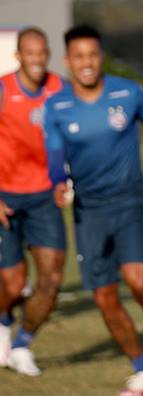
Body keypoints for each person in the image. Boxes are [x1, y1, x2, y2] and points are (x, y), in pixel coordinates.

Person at [44, 25, 143, 396]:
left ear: (101, 57)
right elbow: (55, 157)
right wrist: (58, 183)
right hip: (89, 211)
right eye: (79, 56)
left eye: (93, 54)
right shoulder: (57, 107)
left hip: (129, 202)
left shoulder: (128, 93)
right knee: (105, 297)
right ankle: (142, 370)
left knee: (138, 279)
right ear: (68, 61)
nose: (87, 63)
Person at [0, 26, 66, 376]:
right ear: (18, 56)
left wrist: (68, 179)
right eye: (30, 52)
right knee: (13, 285)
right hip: (5, 198)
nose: (37, 59)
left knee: (52, 279)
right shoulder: (2, 90)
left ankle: (22, 345)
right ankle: (2, 325)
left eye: (42, 52)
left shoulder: (60, 89)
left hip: (44, 197)